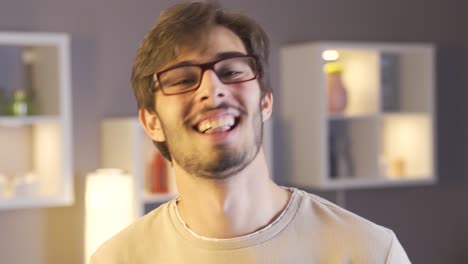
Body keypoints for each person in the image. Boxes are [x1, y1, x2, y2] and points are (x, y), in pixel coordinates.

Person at [90, 1, 411, 263]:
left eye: (231, 71)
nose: (212, 89)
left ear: (266, 102)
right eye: (183, 79)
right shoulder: (118, 258)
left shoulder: (369, 252)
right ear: (151, 123)